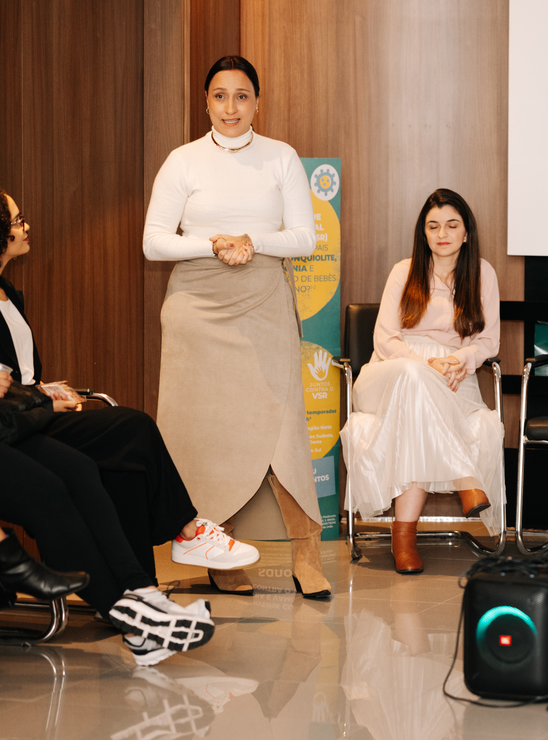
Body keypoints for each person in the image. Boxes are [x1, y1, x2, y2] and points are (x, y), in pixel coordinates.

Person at [143, 55, 329, 599]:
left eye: (242, 95)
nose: (231, 107)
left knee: (283, 430)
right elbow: (153, 242)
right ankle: (215, 554)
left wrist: (253, 242)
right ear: (205, 103)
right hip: (196, 311)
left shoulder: (281, 157)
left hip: (264, 299)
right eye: (220, 96)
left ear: (257, 102)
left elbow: (304, 238)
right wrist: (214, 245)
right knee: (201, 436)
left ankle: (307, 554)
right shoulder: (183, 161)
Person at [0, 190, 259, 580]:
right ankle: (187, 532)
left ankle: (140, 587)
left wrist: (45, 389)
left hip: (37, 410)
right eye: (19, 221)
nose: (27, 227)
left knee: (128, 464)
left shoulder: (8, 292)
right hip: (17, 426)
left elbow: (21, 373)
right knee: (134, 428)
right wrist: (41, 402)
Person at [340, 188, 503, 574]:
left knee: (417, 412)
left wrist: (459, 360)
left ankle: (404, 538)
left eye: (452, 225)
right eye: (433, 226)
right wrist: (427, 364)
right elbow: (385, 339)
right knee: (414, 378)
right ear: (423, 232)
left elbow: (489, 341)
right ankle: (466, 479)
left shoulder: (483, 273)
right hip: (392, 371)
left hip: (454, 376)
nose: (442, 233)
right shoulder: (404, 270)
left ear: (466, 232)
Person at [0, 375, 216, 665]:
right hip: (11, 425)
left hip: (12, 420)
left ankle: (143, 593)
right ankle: (132, 620)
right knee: (48, 488)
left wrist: (39, 399)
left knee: (80, 467)